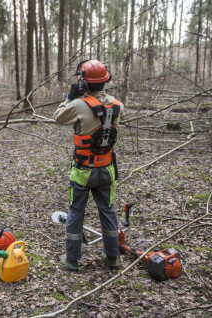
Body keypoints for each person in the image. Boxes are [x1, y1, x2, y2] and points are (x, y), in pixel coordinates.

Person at [54, 59, 124, 272]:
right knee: (108, 211)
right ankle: (113, 258)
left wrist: (69, 97)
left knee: (76, 211)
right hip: (107, 169)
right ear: (106, 80)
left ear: (83, 83)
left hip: (83, 171)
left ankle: (72, 260)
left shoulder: (77, 105)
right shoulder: (118, 105)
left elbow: (58, 117)